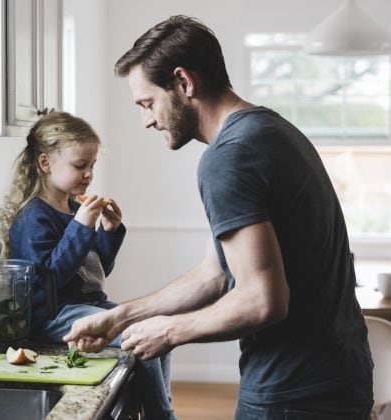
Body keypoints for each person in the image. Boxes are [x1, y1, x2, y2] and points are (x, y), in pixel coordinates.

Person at [63, 15, 374, 419]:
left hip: (292, 393)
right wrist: (122, 317)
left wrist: (169, 331)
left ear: (184, 83)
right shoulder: (269, 131)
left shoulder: (228, 158)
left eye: (148, 103)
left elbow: (263, 301)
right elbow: (214, 274)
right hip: (337, 376)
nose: (147, 120)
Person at [0, 111, 176, 419]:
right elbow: (47, 279)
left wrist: (109, 231)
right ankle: (162, 415)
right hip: (54, 315)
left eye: (92, 165)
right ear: (45, 163)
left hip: (89, 304)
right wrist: (80, 227)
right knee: (137, 334)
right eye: (80, 165)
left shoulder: (75, 207)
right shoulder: (33, 217)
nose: (88, 174)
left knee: (156, 328)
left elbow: (95, 270)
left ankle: (159, 407)